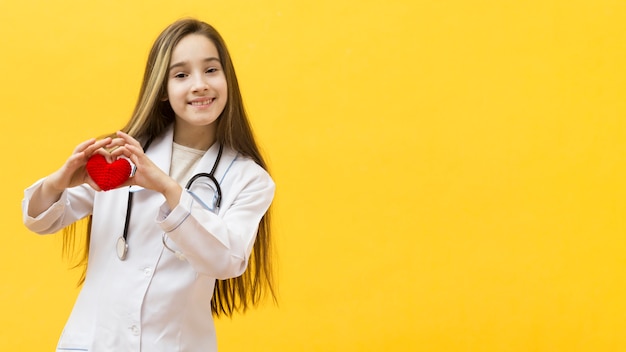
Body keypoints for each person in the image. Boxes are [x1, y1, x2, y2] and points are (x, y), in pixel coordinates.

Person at [21, 18, 276, 351]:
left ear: (227, 78)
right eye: (181, 75)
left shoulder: (249, 179)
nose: (199, 85)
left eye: (211, 70)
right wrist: (59, 181)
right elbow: (42, 220)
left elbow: (227, 261)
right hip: (93, 342)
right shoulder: (118, 155)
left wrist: (169, 189)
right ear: (162, 90)